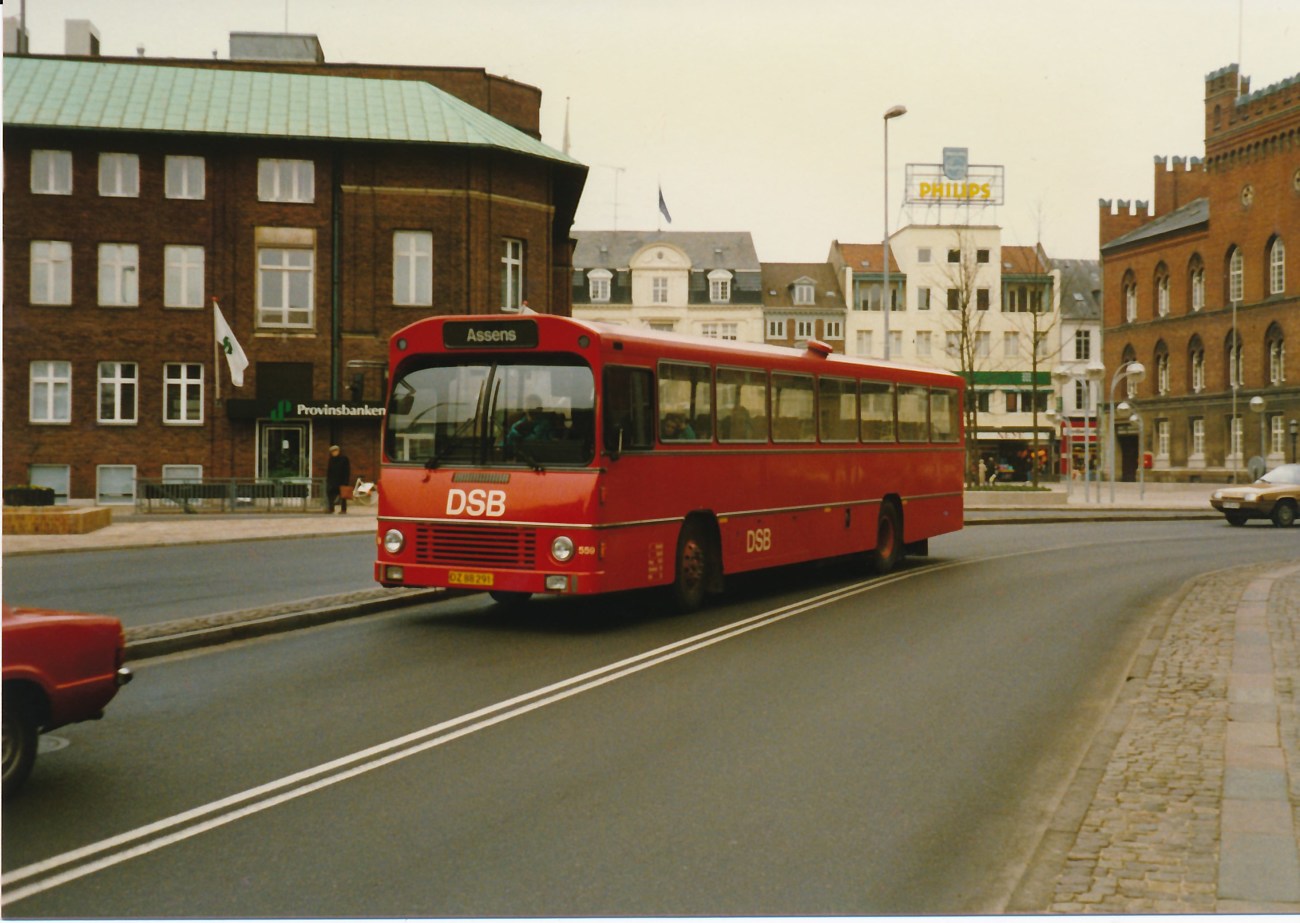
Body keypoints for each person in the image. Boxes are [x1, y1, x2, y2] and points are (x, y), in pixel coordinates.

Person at [326, 444, 351, 513]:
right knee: (330, 493)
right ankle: (331, 508)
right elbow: (329, 471)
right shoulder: (331, 460)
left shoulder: (344, 459)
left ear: (338, 451)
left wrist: (346, 481)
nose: (334, 453)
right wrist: (329, 480)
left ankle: (343, 509)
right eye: (332, 452)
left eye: (335, 451)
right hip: (333, 481)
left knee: (343, 496)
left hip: (342, 481)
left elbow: (347, 470)